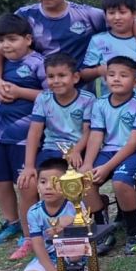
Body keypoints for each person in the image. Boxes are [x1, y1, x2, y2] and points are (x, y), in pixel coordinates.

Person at [0, 0, 136, 97]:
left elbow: (131, 21)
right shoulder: (25, 15)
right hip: (39, 94)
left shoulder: (87, 15)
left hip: (81, 96)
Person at [18, 53, 96, 260]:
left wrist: (77, 150)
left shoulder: (88, 99)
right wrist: (28, 166)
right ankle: (28, 237)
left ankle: (87, 225)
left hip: (77, 150)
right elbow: (34, 132)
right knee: (28, 182)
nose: (56, 81)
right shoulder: (44, 99)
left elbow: (89, 131)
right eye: (51, 76)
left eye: (62, 75)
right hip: (51, 150)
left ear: (75, 78)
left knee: (79, 180)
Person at [0, 13, 47, 249]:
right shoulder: (0, 65)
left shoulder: (38, 63)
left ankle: (31, 231)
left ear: (28, 39)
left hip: (24, 136)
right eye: (0, 40)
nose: (5, 45)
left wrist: (21, 92)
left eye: (11, 39)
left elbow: (52, 96)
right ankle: (12, 222)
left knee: (25, 183)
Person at [80, 56, 136, 255]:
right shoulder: (100, 104)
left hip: (133, 152)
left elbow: (133, 142)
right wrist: (88, 163)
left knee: (120, 182)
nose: (116, 79)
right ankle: (103, 230)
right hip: (108, 151)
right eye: (111, 75)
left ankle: (134, 231)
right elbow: (96, 136)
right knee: (86, 180)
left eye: (123, 75)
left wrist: (107, 167)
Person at [80, 0, 136, 100]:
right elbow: (84, 73)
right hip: (110, 108)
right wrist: (100, 70)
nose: (117, 17)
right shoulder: (98, 40)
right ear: (105, 15)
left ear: (134, 14)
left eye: (122, 12)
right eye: (111, 13)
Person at [17, 158, 77, 271]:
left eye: (55, 182)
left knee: (75, 256)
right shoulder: (34, 212)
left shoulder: (74, 206)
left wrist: (70, 221)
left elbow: (88, 232)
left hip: (71, 253)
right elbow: (37, 244)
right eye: (43, 182)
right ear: (38, 186)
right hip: (47, 255)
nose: (48, 187)